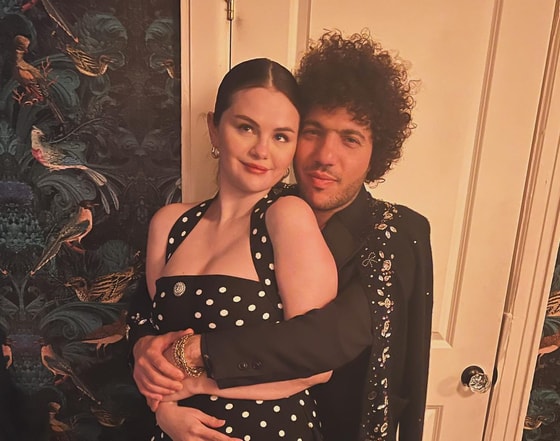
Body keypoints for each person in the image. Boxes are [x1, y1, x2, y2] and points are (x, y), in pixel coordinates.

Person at [129, 30, 433, 441]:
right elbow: (148, 311)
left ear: (376, 152)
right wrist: (144, 353)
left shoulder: (394, 231)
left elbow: (326, 341)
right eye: (312, 132)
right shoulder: (259, 207)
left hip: (334, 425)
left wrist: (190, 363)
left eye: (350, 139)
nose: (325, 156)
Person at [136, 57, 338, 440]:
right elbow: (156, 343)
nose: (262, 150)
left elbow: (317, 364)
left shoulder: (286, 217)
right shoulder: (170, 224)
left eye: (281, 136)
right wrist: (164, 411)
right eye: (246, 128)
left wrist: (196, 386)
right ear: (214, 129)